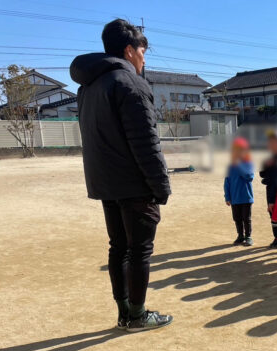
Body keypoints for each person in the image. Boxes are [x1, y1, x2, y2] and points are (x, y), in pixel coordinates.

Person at [70, 19, 172, 332]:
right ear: (129, 50)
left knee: (118, 247)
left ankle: (125, 312)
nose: (144, 59)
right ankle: (138, 315)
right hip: (133, 183)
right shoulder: (130, 83)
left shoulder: (89, 86)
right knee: (139, 250)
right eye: (143, 52)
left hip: (106, 182)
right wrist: (160, 186)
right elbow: (146, 142)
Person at [224, 137, 254, 246]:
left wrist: (239, 165)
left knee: (246, 218)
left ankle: (248, 236)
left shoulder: (248, 163)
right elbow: (227, 182)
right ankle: (240, 235)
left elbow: (249, 177)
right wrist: (227, 197)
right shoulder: (230, 167)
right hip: (235, 198)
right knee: (237, 218)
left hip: (246, 197)